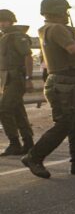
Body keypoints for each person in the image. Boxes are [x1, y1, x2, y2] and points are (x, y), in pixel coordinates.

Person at [21, 0, 75, 178]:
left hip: (65, 82)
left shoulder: (48, 29)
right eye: (64, 11)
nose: (66, 15)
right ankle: (34, 156)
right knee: (65, 123)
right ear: (56, 12)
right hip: (63, 83)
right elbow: (73, 49)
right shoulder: (56, 28)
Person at [0, 9, 35, 156]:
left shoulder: (17, 36)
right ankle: (28, 143)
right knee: (18, 111)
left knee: (4, 110)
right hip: (8, 79)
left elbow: (28, 57)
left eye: (4, 21)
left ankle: (15, 143)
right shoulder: (5, 37)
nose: (1, 24)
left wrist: (28, 78)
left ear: (11, 20)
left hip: (17, 78)